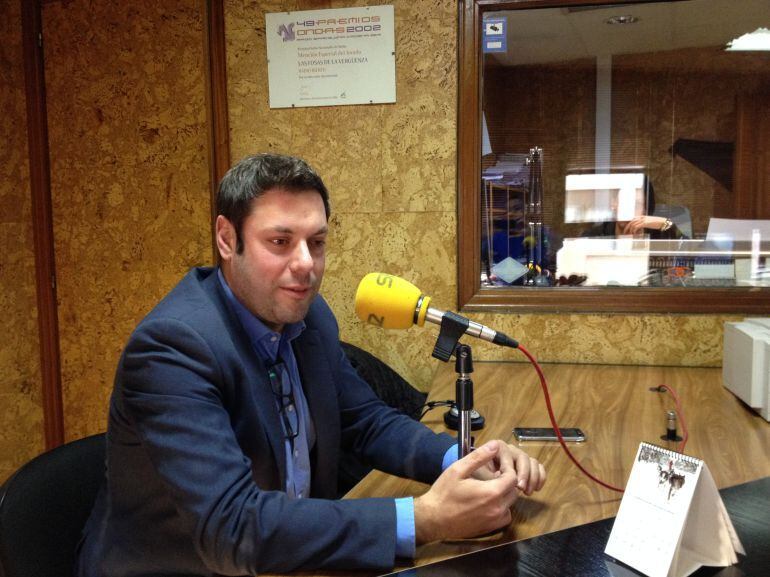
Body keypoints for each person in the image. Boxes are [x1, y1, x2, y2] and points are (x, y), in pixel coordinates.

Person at [75, 153, 546, 576]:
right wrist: (425, 518)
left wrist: (464, 460)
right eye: (280, 241)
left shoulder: (309, 315)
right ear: (227, 239)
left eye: (316, 242)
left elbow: (365, 421)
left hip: (287, 562)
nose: (306, 264)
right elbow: (232, 527)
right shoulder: (172, 348)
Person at [582, 180, 687, 240]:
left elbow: (688, 250)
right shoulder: (596, 235)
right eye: (625, 202)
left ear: (645, 210)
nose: (629, 210)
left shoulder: (656, 233)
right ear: (614, 203)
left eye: (636, 205)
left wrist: (666, 223)